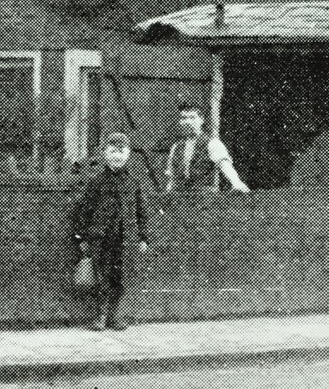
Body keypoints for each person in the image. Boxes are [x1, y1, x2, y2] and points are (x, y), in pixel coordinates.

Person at [72, 133, 151, 331]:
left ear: (129, 154)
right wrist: (81, 237)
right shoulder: (96, 182)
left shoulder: (133, 183)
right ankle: (100, 316)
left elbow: (141, 212)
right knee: (101, 277)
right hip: (101, 239)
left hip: (125, 239)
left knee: (120, 278)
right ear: (105, 153)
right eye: (113, 151)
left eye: (121, 152)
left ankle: (114, 316)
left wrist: (143, 237)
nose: (117, 156)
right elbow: (84, 211)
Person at [163, 104, 249, 194]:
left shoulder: (213, 144)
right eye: (184, 118)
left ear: (201, 120)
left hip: (206, 200)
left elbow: (225, 165)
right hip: (181, 200)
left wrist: (236, 183)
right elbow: (171, 179)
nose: (188, 122)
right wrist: (167, 197)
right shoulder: (176, 147)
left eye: (192, 118)